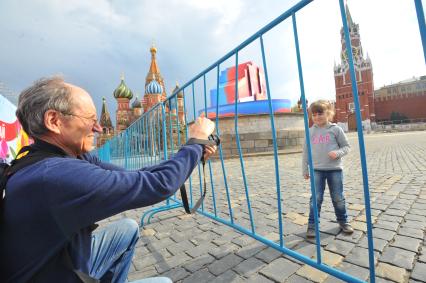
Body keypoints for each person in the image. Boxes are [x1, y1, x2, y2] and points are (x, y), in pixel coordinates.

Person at [0, 77, 217, 283]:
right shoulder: (57, 175)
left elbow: (136, 176)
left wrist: (191, 153)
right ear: (54, 121)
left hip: (56, 262)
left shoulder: (47, 156)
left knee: (128, 227)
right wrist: (195, 141)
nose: (98, 128)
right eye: (90, 120)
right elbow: (157, 186)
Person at [302, 99, 353, 238]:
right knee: (316, 198)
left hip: (335, 169)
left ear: (328, 113)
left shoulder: (336, 129)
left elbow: (347, 147)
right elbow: (305, 152)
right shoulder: (310, 132)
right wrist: (305, 170)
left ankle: (343, 221)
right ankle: (312, 225)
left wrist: (337, 153)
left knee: (338, 197)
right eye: (314, 115)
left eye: (320, 113)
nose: (317, 117)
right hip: (316, 170)